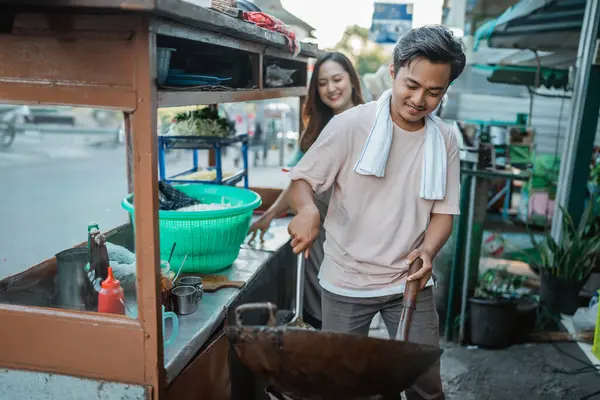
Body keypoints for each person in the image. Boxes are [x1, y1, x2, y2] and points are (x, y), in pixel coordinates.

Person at [286, 25, 466, 400]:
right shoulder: (351, 125)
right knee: (343, 384)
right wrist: (306, 211)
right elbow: (302, 181)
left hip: (410, 279)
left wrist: (428, 251)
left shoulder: (445, 138)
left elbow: (444, 213)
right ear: (393, 72)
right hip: (347, 278)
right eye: (411, 85)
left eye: (434, 92)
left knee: (425, 384)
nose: (419, 100)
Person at [248, 52, 365, 329]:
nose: (331, 88)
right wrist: (270, 215)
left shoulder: (369, 123)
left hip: (355, 236)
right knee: (316, 307)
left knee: (350, 312)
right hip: (318, 231)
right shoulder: (316, 129)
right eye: (322, 83)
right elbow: (296, 179)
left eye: (337, 79)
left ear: (351, 81)